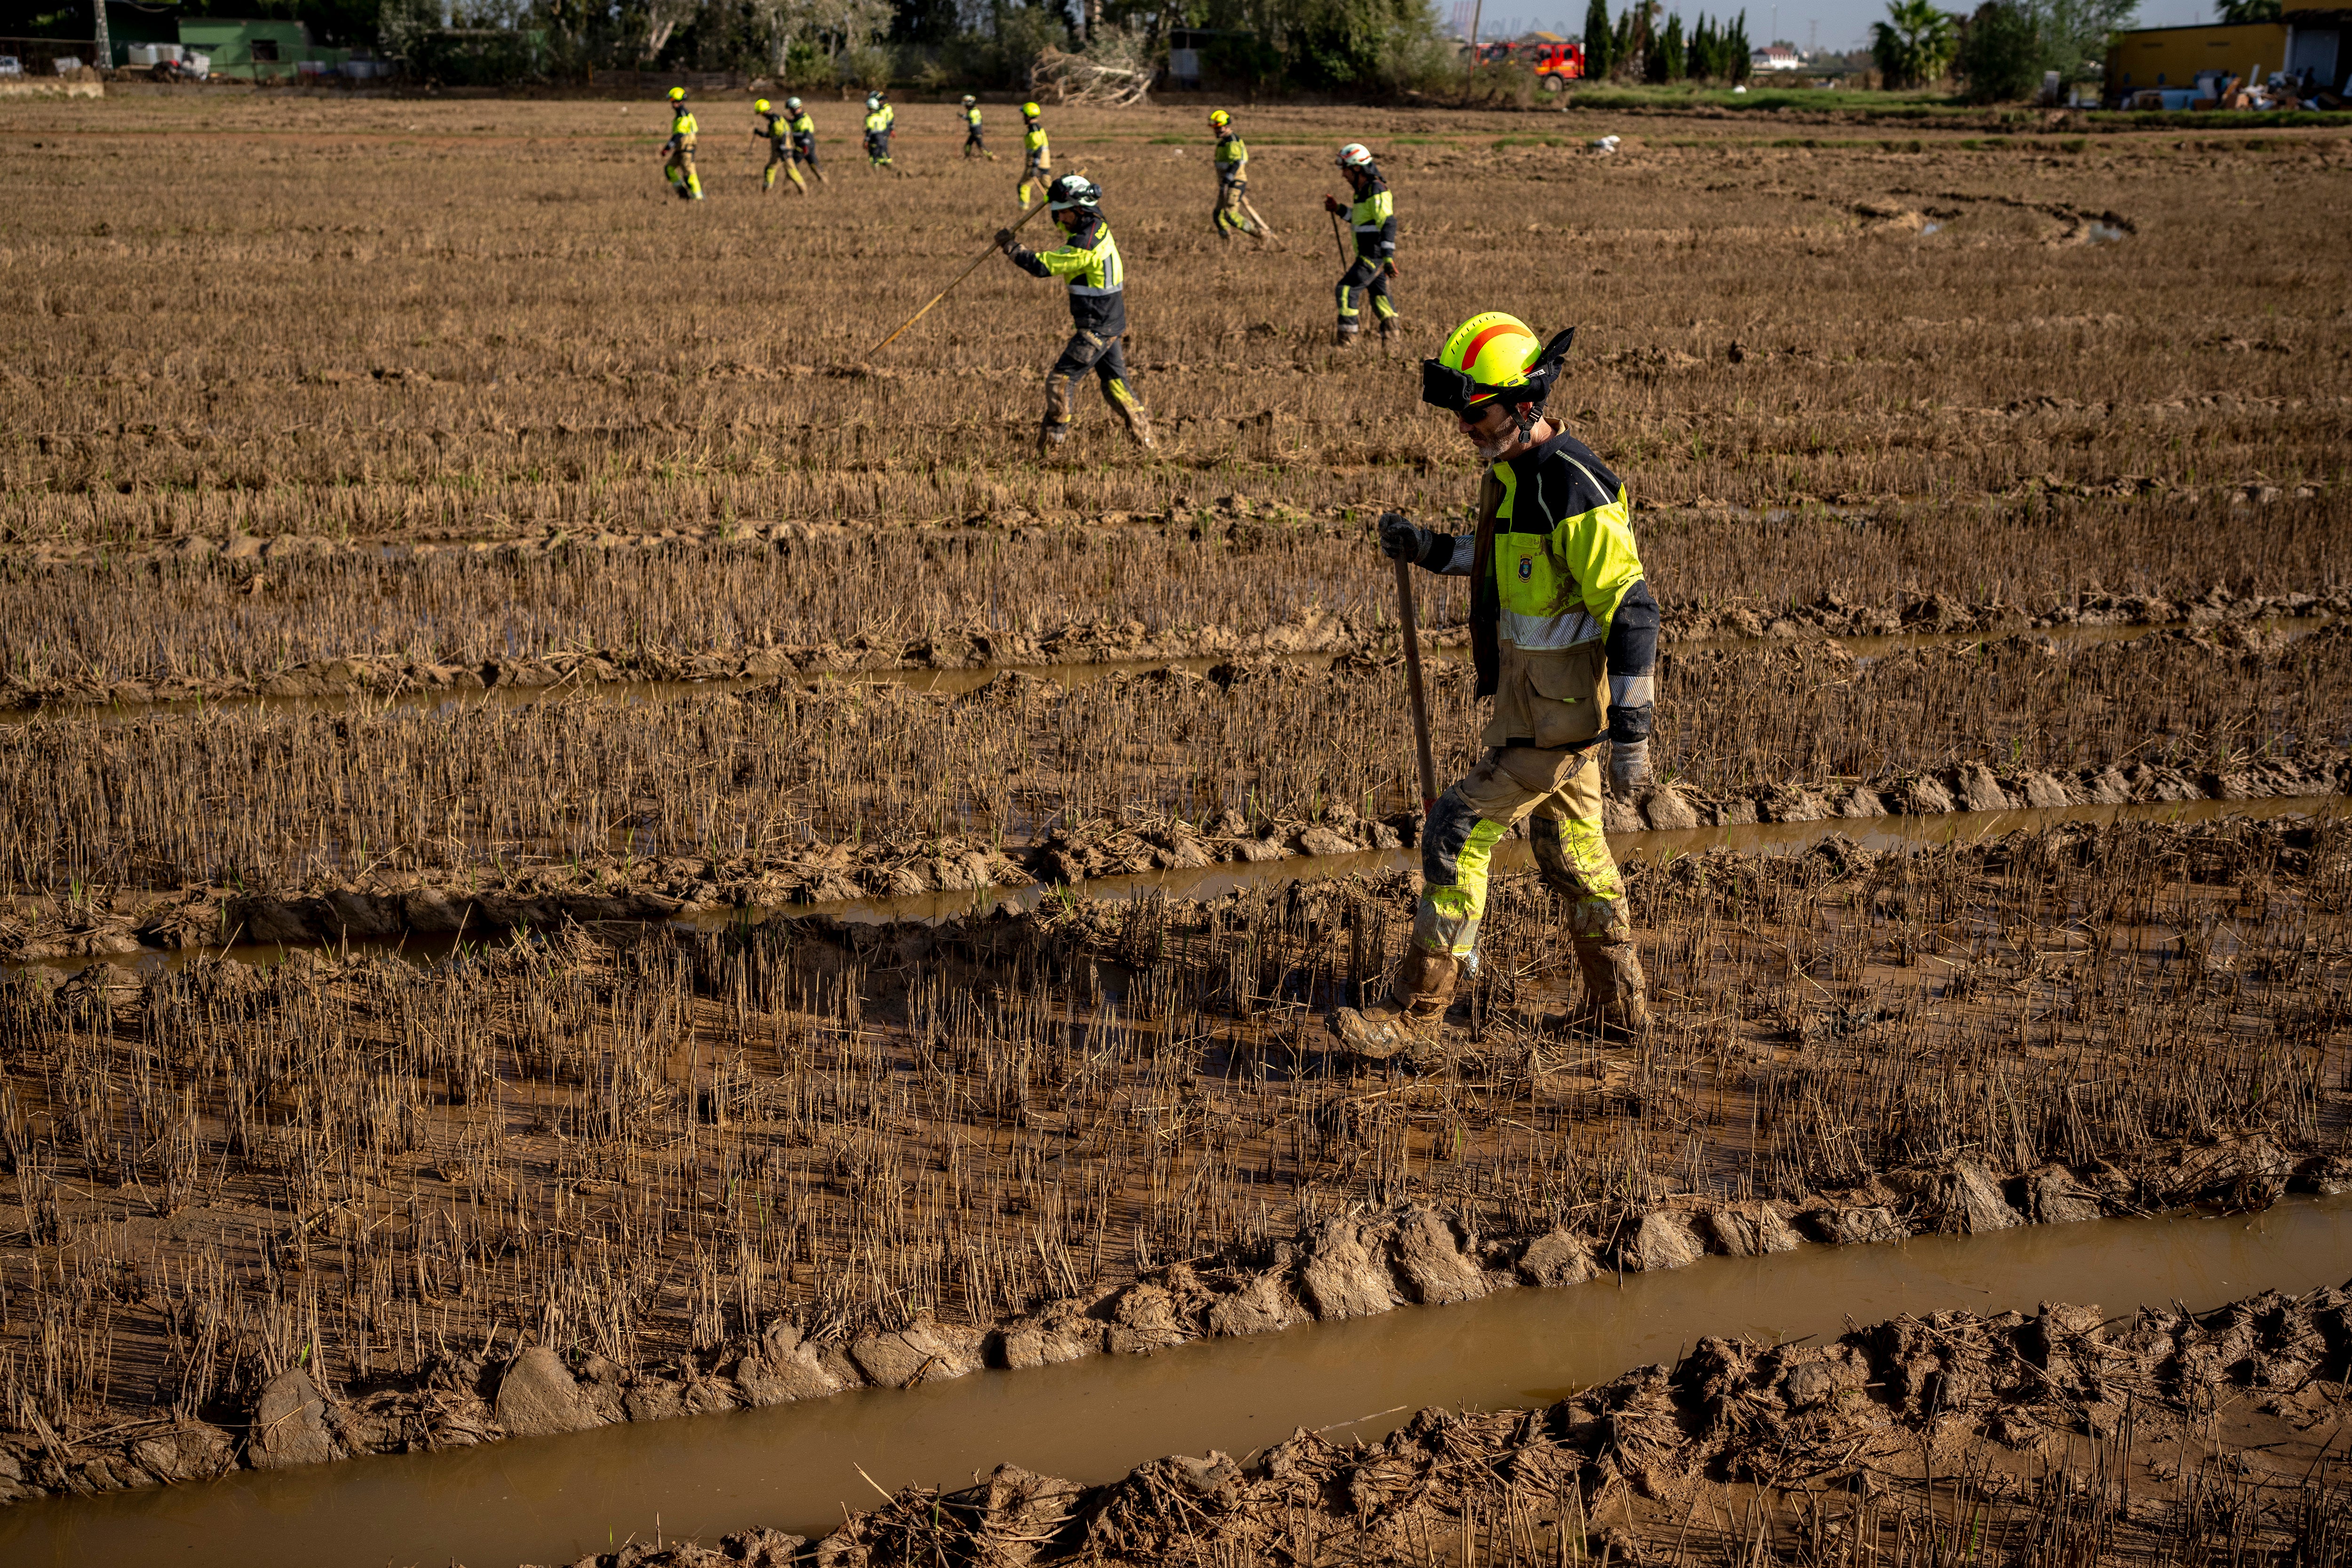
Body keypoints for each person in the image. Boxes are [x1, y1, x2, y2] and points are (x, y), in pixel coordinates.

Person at [1330, 311, 1660, 1056]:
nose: (1463, 427)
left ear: (1524, 403)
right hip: (1535, 709)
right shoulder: (1512, 479)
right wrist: (1426, 549)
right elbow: (1495, 558)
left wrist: (1634, 731)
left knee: (1456, 828)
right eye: (1459, 413)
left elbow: (1633, 610)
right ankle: (1619, 1006)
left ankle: (1412, 1020)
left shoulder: (1575, 484)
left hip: (1561, 722)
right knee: (1571, 853)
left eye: (1475, 412)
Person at [993, 174, 1154, 456]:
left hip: (1098, 326)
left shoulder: (1085, 244)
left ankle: (1050, 450)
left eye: (1062, 212)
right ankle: (1149, 445)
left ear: (1080, 209)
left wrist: (1012, 248)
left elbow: (1042, 266)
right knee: (1117, 387)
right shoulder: (1096, 226)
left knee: (1060, 381)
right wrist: (1055, 193)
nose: (1058, 219)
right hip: (1110, 320)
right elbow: (1064, 206)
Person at [1323, 143, 1396, 345]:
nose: (1343, 175)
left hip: (1372, 255)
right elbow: (1360, 220)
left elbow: (1388, 223)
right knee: (1380, 297)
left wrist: (1388, 258)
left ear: (1357, 168)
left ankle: (1347, 344)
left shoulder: (1376, 189)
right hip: (1369, 253)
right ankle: (1393, 342)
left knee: (1346, 290)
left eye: (1345, 169)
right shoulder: (1363, 191)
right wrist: (1338, 209)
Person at [1209, 109, 1268, 243]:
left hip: (1235, 182)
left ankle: (1260, 235)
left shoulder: (1233, 141)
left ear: (1226, 126)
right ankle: (1227, 242)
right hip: (1225, 184)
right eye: (1215, 128)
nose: (1216, 131)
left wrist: (1228, 179)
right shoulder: (1223, 143)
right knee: (1218, 216)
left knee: (1230, 215)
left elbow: (1236, 162)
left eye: (1218, 128)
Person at [751, 98, 805, 194]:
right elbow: (772, 135)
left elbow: (782, 134)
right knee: (772, 169)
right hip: (781, 151)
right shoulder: (776, 119)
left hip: (782, 151)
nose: (761, 115)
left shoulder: (775, 121)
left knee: (790, 171)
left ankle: (804, 191)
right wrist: (760, 133)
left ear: (764, 112)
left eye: (761, 113)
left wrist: (783, 148)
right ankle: (766, 192)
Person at [661, 86, 703, 201]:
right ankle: (682, 192)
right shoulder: (680, 115)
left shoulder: (684, 116)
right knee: (669, 169)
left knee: (689, 175)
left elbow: (679, 135)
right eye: (671, 102)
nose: (672, 104)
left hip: (687, 149)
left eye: (674, 102)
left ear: (681, 102)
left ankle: (699, 198)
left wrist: (667, 148)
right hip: (680, 149)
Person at [784, 96, 824, 186]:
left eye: (791, 109)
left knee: (791, 166)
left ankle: (789, 186)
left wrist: (805, 147)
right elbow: (796, 123)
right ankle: (824, 181)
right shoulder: (801, 117)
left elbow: (807, 134)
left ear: (797, 108)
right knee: (814, 164)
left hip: (802, 147)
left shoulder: (803, 121)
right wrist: (789, 121)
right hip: (809, 145)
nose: (790, 111)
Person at [1017, 102, 1050, 208]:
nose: (1023, 118)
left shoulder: (1034, 131)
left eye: (1024, 116)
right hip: (1044, 164)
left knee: (1023, 186)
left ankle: (1023, 210)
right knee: (1049, 189)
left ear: (1028, 116)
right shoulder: (1038, 129)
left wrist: (1035, 166)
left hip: (1036, 165)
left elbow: (1039, 149)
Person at [862, 91, 898, 171]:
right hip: (881, 133)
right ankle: (885, 165)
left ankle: (885, 166)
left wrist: (866, 140)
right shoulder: (881, 110)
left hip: (881, 133)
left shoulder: (883, 110)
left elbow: (890, 120)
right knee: (881, 150)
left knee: (879, 151)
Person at [961, 94, 993, 159]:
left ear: (969, 104)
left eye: (966, 105)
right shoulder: (977, 110)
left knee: (980, 146)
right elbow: (980, 120)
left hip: (976, 131)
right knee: (968, 145)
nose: (965, 107)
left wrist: (963, 117)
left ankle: (990, 156)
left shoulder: (972, 112)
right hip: (975, 131)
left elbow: (970, 118)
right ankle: (967, 157)